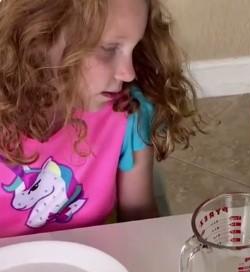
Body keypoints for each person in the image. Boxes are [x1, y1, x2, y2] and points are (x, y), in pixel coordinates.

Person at [0, 0, 202, 238]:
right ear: (41, 37)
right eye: (109, 49)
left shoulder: (128, 110)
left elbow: (140, 224)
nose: (128, 73)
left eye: (133, 49)